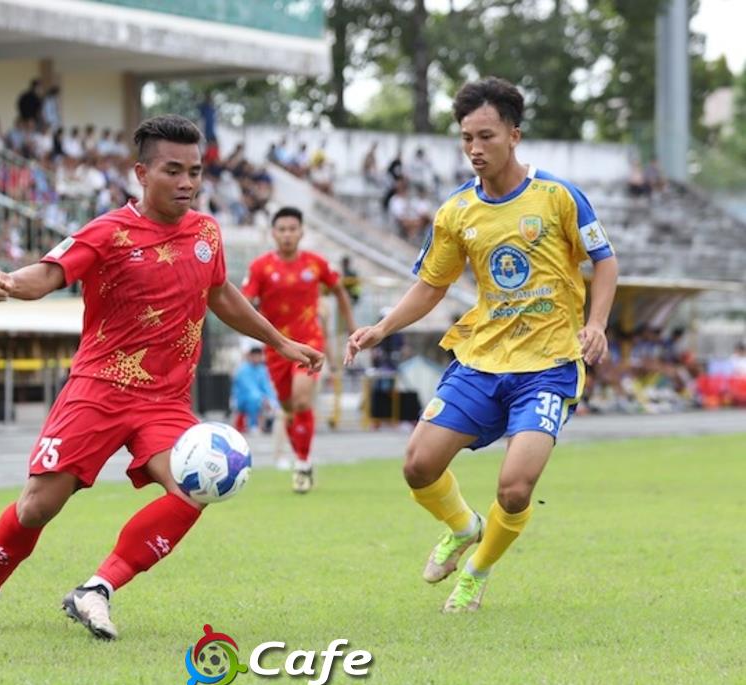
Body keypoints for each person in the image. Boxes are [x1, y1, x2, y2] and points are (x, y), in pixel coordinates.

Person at [0, 115, 323, 639]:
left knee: (195, 486)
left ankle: (97, 590)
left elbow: (220, 294)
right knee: (37, 506)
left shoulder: (206, 232)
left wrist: (279, 341)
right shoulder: (109, 231)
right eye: (173, 171)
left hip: (165, 400)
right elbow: (49, 274)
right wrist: (8, 283)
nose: (187, 182)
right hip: (98, 389)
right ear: (142, 174)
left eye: (195, 172)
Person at [345, 77, 618, 613]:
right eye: (467, 137)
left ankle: (477, 571)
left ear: (514, 135)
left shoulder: (558, 196)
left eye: (486, 136)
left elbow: (604, 262)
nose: (474, 148)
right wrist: (381, 327)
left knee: (515, 489)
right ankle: (462, 526)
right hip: (482, 361)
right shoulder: (456, 211)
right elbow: (432, 286)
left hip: (549, 365)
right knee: (418, 465)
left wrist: (598, 323)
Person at [242, 206, 357, 493]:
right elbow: (244, 301)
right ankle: (301, 458)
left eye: (292, 229)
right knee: (289, 408)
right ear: (273, 233)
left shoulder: (316, 264)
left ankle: (303, 464)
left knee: (302, 400)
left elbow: (339, 289)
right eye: (282, 229)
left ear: (301, 232)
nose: (287, 235)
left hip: (309, 344)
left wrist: (352, 326)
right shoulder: (260, 268)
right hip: (276, 348)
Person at [231, 346, 278, 434]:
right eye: (255, 356)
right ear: (250, 356)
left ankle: (267, 425)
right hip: (243, 399)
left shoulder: (263, 369)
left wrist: (271, 399)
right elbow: (249, 388)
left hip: (259, 397)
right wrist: (263, 399)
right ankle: (253, 425)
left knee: (275, 400)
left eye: (259, 356)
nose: (257, 358)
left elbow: (267, 387)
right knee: (254, 398)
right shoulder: (243, 370)